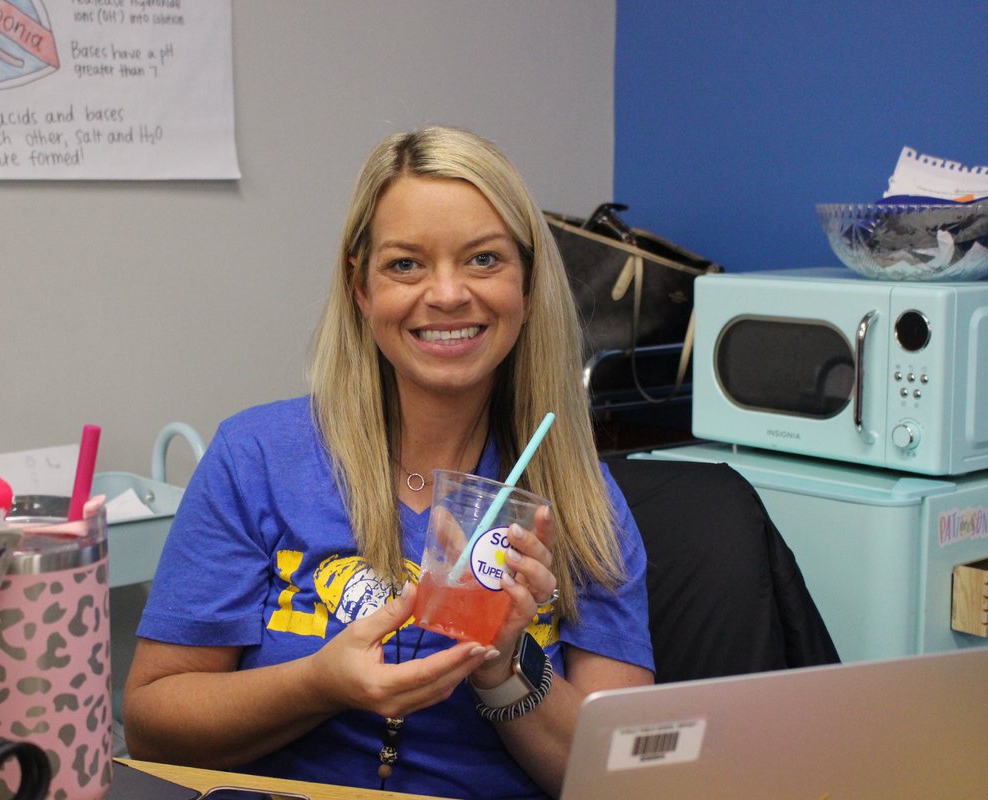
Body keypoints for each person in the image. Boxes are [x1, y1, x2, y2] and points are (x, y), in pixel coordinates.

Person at [123, 126, 655, 800]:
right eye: (406, 264)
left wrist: (504, 667)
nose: (448, 294)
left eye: (484, 260)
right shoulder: (257, 459)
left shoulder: (577, 498)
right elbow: (151, 726)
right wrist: (318, 684)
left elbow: (624, 781)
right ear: (361, 288)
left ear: (528, 283)